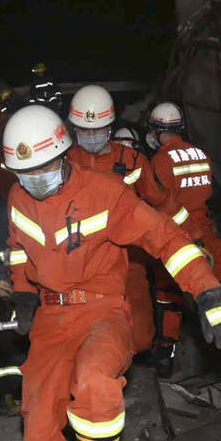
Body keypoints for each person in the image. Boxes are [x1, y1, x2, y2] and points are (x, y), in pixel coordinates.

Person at [2, 105, 221, 441]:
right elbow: (16, 249)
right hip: (50, 319)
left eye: (44, 168)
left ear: (65, 155)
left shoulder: (104, 194)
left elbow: (163, 236)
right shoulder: (17, 197)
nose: (36, 179)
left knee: (95, 382)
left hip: (101, 310)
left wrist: (207, 288)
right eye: (24, 172)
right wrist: (23, 295)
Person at [139, 102, 221, 375]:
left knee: (170, 295)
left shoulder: (159, 160)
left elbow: (158, 202)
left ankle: (165, 353)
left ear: (157, 130)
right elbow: (209, 193)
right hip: (205, 228)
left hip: (176, 233)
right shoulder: (200, 154)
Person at [66, 86, 156, 354]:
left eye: (96, 130)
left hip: (128, 257)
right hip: (79, 260)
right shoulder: (64, 162)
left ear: (110, 126)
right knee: (81, 336)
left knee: (139, 338)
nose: (90, 136)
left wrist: (194, 238)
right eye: (83, 130)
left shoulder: (133, 161)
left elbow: (163, 204)